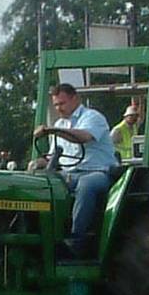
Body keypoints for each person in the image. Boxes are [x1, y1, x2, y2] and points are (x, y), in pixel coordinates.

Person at [31, 83, 117, 257]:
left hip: (98, 172)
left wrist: (51, 130)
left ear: (75, 99)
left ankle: (77, 240)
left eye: (62, 103)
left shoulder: (92, 117)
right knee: (42, 184)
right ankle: (43, 235)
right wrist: (36, 163)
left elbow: (83, 137)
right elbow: (53, 156)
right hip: (69, 174)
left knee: (86, 185)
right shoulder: (60, 123)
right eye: (56, 105)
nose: (58, 108)